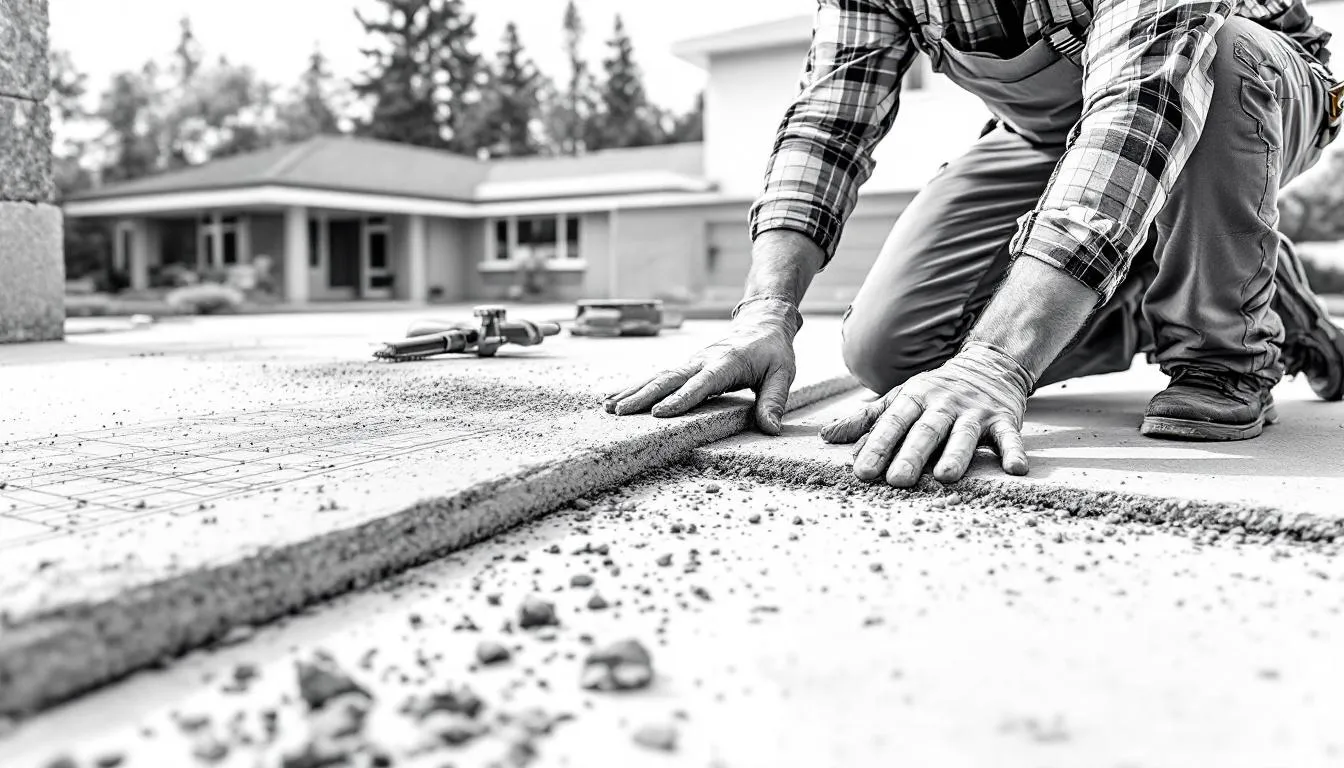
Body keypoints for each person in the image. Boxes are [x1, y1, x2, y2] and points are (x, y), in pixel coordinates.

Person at [604, 0, 1344, 488]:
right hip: (1051, 131)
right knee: (888, 352)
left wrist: (999, 363)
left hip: (1238, 88)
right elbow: (828, 126)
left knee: (1221, 58)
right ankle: (1230, 272)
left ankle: (1228, 340)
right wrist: (766, 312)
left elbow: (1141, 107)